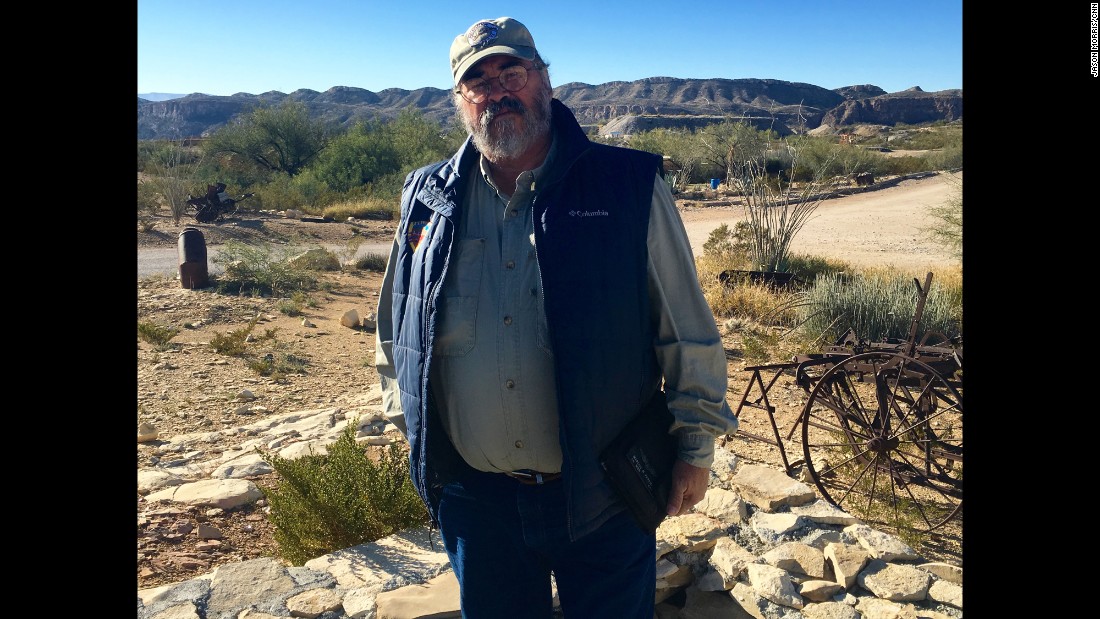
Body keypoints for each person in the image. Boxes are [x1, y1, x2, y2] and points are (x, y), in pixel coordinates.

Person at [374, 16, 738, 618]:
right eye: (479, 81)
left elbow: (687, 329)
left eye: (511, 71)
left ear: (543, 79)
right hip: (477, 504)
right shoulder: (427, 197)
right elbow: (396, 328)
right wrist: (410, 425)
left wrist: (695, 447)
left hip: (605, 496)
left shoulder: (627, 185)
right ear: (461, 101)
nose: (498, 91)